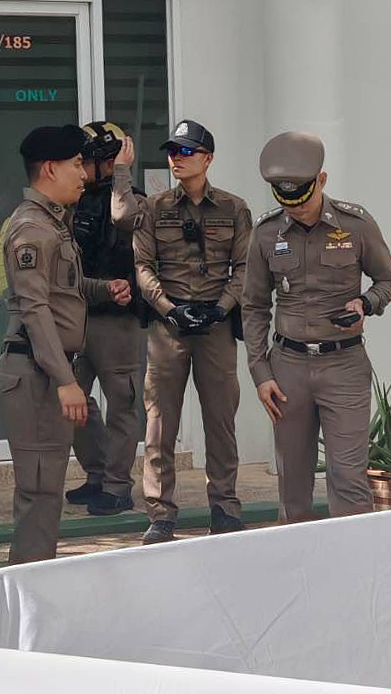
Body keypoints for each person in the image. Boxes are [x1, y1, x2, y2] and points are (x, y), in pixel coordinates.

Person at [242, 131, 391, 522]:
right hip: (288, 369)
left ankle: (354, 556)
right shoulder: (266, 232)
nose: (295, 209)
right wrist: (261, 372)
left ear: (322, 180)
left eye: (302, 199)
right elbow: (254, 305)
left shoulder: (357, 224)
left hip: (343, 365)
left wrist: (366, 303)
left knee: (348, 478)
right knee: (292, 484)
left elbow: (389, 280)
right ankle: (296, 557)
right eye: (287, 202)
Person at [0, 125, 132, 564]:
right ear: (50, 169)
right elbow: (35, 310)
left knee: (47, 491)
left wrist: (103, 289)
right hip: (37, 375)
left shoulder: (53, 222)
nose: (84, 174)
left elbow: (62, 290)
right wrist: (65, 380)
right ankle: (26, 589)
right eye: (76, 165)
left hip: (47, 371)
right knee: (38, 492)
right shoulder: (32, 229)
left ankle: (36, 580)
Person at [132, 119, 251, 544]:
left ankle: (224, 507)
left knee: (220, 420)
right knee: (160, 423)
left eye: (186, 151)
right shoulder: (153, 208)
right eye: (172, 151)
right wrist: (169, 308)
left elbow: (245, 268)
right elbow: (142, 266)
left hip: (216, 325)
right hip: (169, 327)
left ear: (208, 158)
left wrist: (221, 308)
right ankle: (161, 514)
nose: (176, 159)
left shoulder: (234, 208)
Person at [64, 121, 147, 515]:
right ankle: (97, 473)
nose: (80, 169)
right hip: (80, 315)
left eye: (86, 161)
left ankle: (117, 486)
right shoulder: (76, 199)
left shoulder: (132, 198)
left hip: (118, 320)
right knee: (71, 399)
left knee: (122, 405)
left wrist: (122, 174)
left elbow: (124, 218)